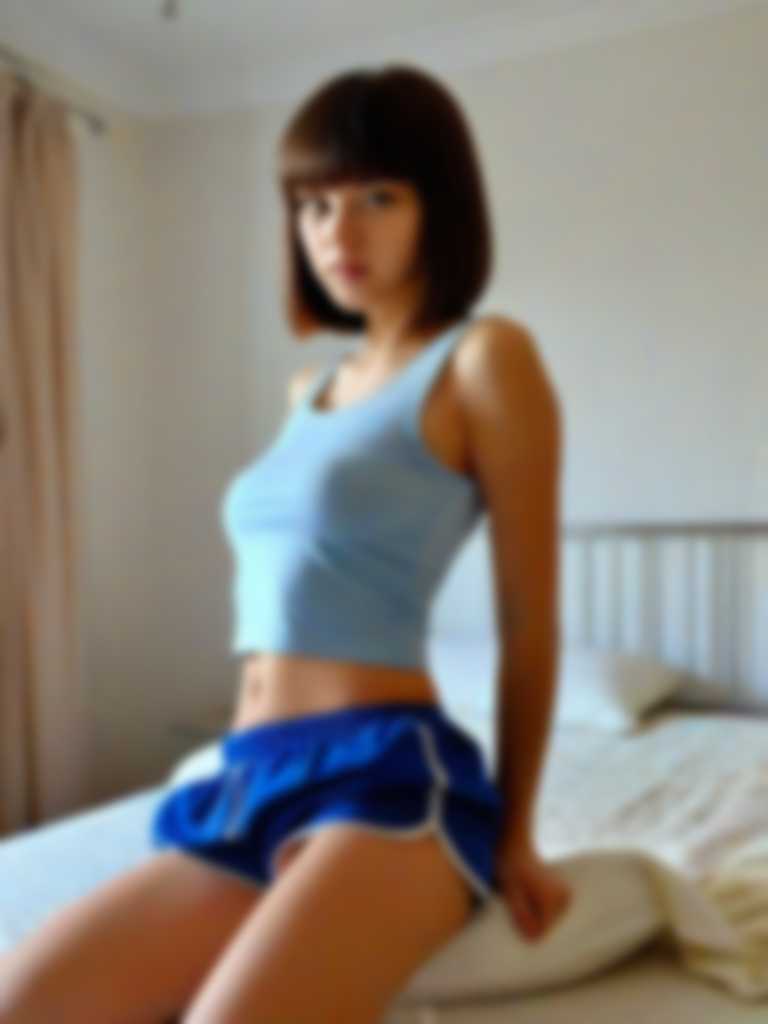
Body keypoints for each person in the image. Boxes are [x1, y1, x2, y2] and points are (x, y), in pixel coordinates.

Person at [0, 63, 572, 1024]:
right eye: (314, 205)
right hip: (250, 772)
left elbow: (528, 622)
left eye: (378, 197)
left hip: (385, 775)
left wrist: (516, 834)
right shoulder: (308, 390)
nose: (338, 233)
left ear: (439, 204)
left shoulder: (484, 358)